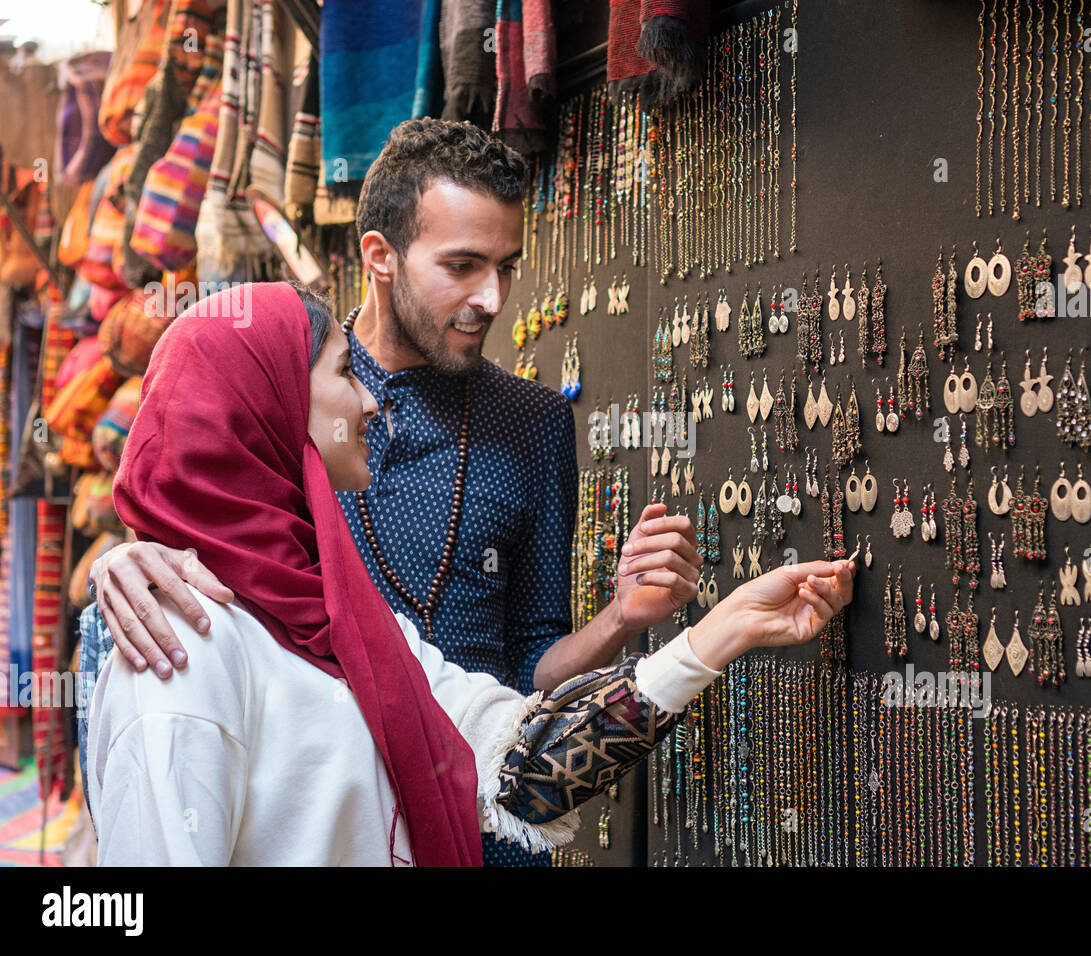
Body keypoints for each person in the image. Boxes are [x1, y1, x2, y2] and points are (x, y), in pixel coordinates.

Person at [82, 118, 702, 865]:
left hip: (494, 800)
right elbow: (209, 514)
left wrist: (622, 621)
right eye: (463, 264)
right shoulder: (295, 406)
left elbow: (526, 674)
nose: (491, 297)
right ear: (380, 256)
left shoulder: (533, 425)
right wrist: (127, 557)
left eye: (507, 266)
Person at [86, 282, 855, 865]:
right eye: (342, 375)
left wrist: (722, 632)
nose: (371, 403)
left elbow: (531, 768)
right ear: (272, 404)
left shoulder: (345, 628)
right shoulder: (182, 651)